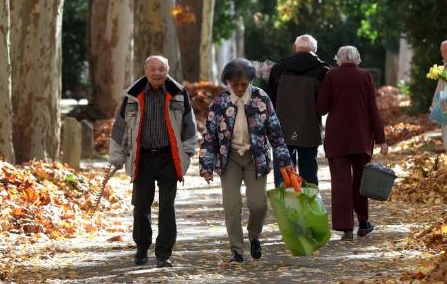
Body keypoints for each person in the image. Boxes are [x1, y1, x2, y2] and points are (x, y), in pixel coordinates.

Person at [199, 58, 296, 263]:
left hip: (256, 157)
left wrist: (285, 161)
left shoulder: (261, 98)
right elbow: (210, 137)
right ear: (228, 83)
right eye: (236, 85)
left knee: (258, 204)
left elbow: (275, 133)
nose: (241, 88)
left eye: (244, 84)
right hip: (230, 159)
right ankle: (237, 250)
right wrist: (206, 166)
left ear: (250, 81)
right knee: (232, 206)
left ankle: (254, 236)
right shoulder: (220, 102)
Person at [108, 55, 198, 268]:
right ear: (146, 71)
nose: (157, 73)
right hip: (143, 157)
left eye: (161, 69)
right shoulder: (132, 96)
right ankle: (141, 248)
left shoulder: (178, 94)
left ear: (167, 71)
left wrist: (189, 151)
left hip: (169, 157)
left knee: (168, 206)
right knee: (140, 206)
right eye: (153, 69)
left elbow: (189, 125)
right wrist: (116, 156)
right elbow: (119, 127)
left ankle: (164, 253)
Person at [317, 46, 388, 240]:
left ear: (339, 59)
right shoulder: (365, 76)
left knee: (341, 182)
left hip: (337, 136)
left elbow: (322, 107)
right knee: (360, 181)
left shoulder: (332, 76)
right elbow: (373, 109)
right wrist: (381, 139)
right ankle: (363, 223)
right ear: (357, 59)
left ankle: (345, 227)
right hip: (360, 136)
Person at [268, 34, 330, 187]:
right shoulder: (322, 71)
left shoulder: (279, 68)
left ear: (295, 48)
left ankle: (286, 207)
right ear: (314, 50)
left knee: (283, 172)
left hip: (282, 128)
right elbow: (323, 104)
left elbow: (271, 99)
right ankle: (309, 207)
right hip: (309, 128)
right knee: (309, 173)